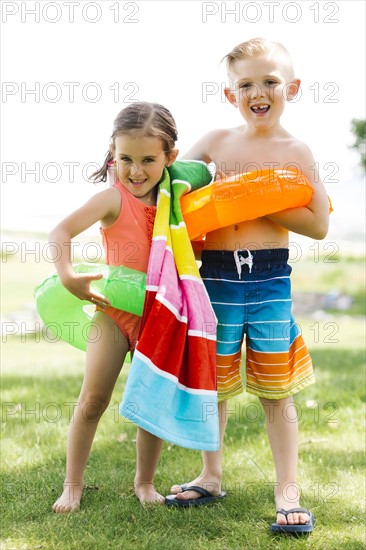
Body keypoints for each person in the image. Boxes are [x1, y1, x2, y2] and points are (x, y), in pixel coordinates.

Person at [165, 38, 329, 533]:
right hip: (213, 276)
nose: (258, 92)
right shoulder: (216, 142)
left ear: (292, 88)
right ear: (229, 93)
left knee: (275, 389)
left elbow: (319, 223)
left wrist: (252, 199)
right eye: (246, 85)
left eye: (270, 82)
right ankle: (211, 476)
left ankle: (288, 490)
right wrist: (204, 188)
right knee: (212, 383)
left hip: (268, 277)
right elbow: (174, 187)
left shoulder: (295, 151)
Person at [50, 102, 178, 512]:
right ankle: (73, 485)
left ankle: (144, 483)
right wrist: (68, 275)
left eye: (147, 160)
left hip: (158, 316)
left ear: (170, 157)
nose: (135, 171)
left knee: (150, 405)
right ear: (113, 153)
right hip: (113, 313)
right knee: (93, 400)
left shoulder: (178, 202)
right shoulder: (112, 198)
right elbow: (61, 231)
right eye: (125, 159)